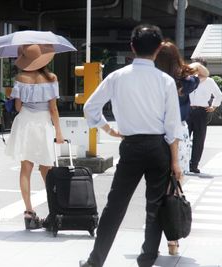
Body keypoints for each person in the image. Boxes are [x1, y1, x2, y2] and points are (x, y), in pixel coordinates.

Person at [79, 24, 182, 267]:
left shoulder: (117, 77)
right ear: (158, 49)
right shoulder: (165, 81)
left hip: (131, 146)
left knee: (115, 205)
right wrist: (175, 162)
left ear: (132, 47)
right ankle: (147, 259)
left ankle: (96, 260)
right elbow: (172, 126)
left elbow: (89, 108)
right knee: (155, 206)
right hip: (158, 148)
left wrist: (110, 129)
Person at [5, 44, 64, 230]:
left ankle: (29, 213)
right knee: (46, 168)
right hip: (43, 123)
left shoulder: (20, 78)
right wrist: (59, 133)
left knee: (26, 168)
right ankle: (55, 210)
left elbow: (17, 107)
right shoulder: (51, 78)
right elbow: (53, 108)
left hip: (25, 123)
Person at [154, 40, 200, 255]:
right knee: (175, 183)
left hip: (155, 133)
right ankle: (173, 240)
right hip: (179, 133)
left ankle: (153, 236)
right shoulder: (185, 80)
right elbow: (201, 72)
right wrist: (186, 66)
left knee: (156, 187)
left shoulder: (153, 79)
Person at [186, 59, 222, 173]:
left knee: (199, 139)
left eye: (199, 67)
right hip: (187, 111)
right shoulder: (188, 79)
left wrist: (213, 106)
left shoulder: (209, 81)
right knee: (184, 138)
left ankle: (194, 165)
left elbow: (219, 95)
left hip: (201, 112)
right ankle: (183, 163)